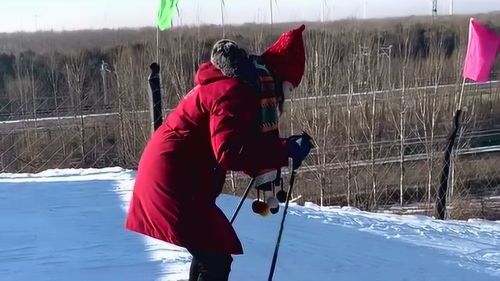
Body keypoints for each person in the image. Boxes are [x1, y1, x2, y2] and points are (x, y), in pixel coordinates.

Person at [125, 24, 312, 281]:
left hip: (179, 178)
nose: (286, 99)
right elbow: (230, 152)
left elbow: (239, 143)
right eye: (289, 89)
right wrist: (283, 150)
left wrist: (280, 152)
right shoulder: (234, 91)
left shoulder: (239, 86)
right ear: (277, 81)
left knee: (211, 252)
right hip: (173, 180)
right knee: (214, 255)